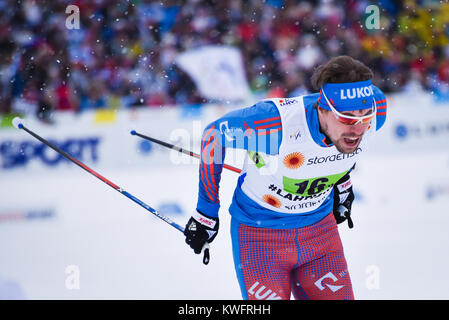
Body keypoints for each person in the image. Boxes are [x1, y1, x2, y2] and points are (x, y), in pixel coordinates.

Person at [184, 55, 387, 300]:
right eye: (346, 118)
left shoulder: (377, 110)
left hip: (320, 233)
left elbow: (339, 153)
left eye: (364, 116)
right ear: (322, 109)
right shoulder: (276, 126)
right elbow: (213, 136)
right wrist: (205, 212)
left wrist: (341, 183)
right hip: (260, 238)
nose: (357, 128)